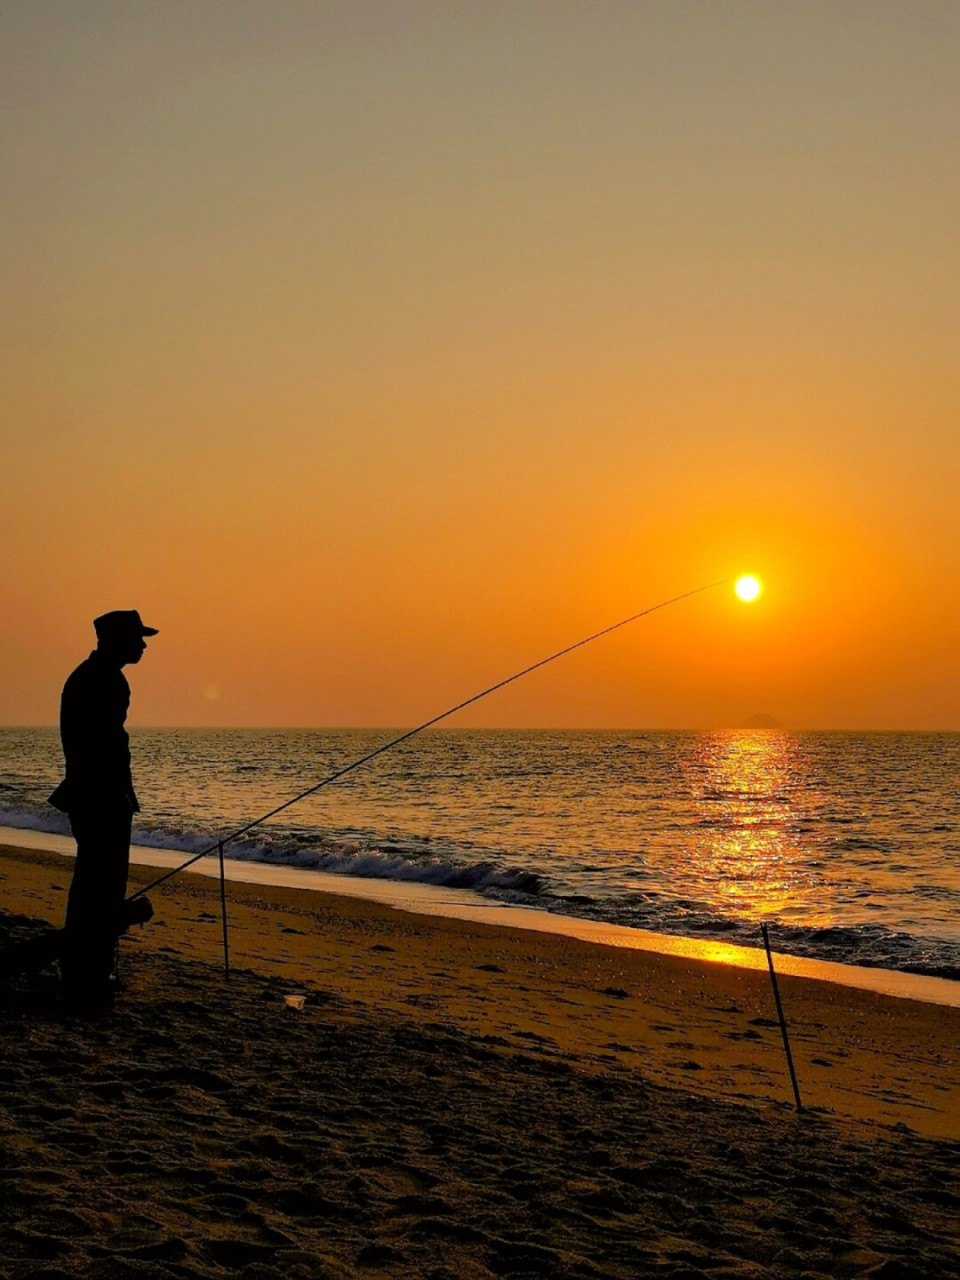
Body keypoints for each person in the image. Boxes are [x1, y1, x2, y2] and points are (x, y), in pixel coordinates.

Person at [49, 609, 158, 1011]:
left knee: (94, 883)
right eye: (137, 638)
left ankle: (86, 968)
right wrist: (117, 797)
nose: (143, 645)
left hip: (93, 795)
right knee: (102, 884)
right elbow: (105, 749)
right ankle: (87, 972)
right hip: (100, 798)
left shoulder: (91, 677)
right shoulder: (106, 681)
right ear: (117, 641)